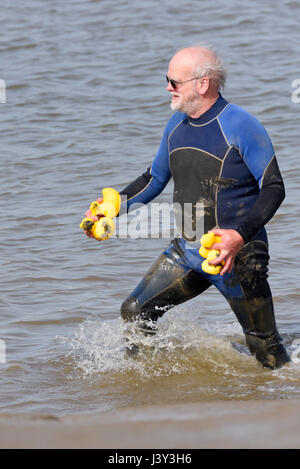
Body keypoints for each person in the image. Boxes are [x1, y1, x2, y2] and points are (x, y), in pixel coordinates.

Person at [86, 46, 290, 369]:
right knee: (135, 312)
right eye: (168, 80)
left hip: (238, 256)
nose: (168, 87)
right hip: (188, 251)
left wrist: (238, 237)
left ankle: (281, 404)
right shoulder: (176, 126)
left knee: (266, 350)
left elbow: (274, 188)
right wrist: (112, 208)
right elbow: (154, 178)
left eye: (174, 82)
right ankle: (148, 387)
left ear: (202, 84)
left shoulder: (241, 124)